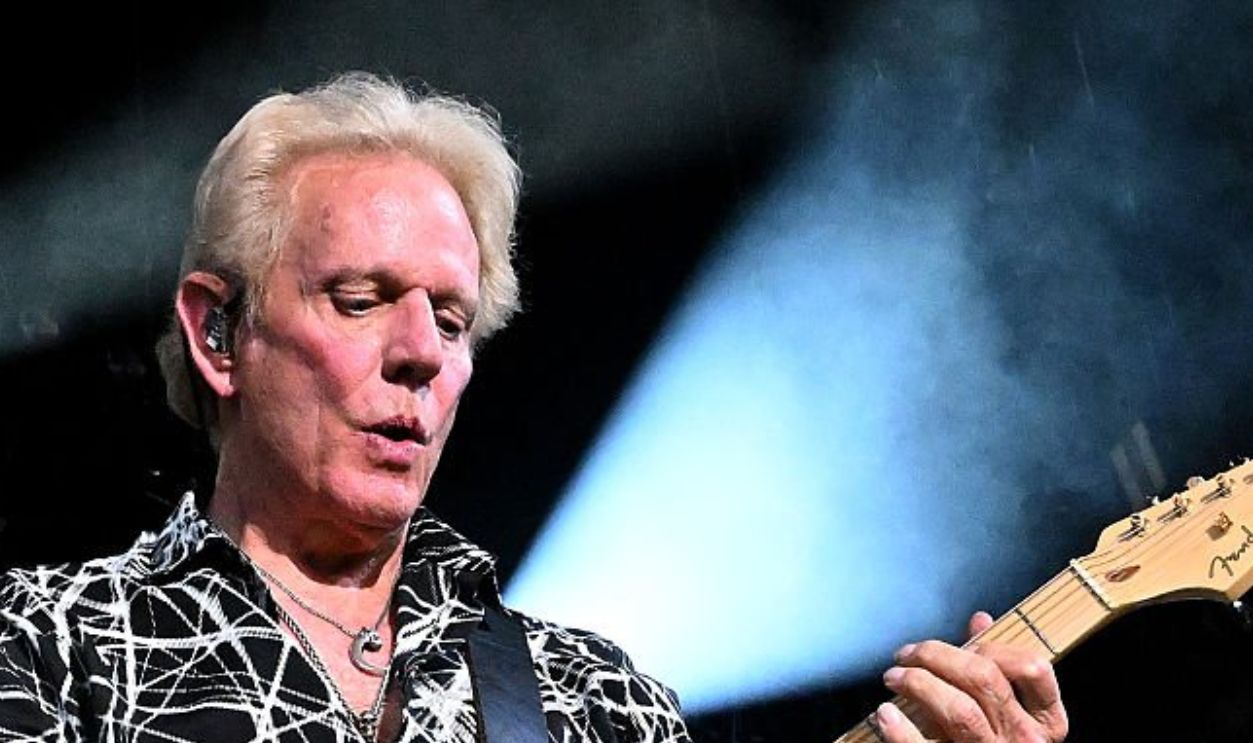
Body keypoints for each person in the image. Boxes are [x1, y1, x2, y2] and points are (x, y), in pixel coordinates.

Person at [0, 73, 1067, 743]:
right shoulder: (48, 645)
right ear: (217, 332)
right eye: (362, 299)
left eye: (454, 321)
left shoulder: (598, 701)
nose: (421, 352)